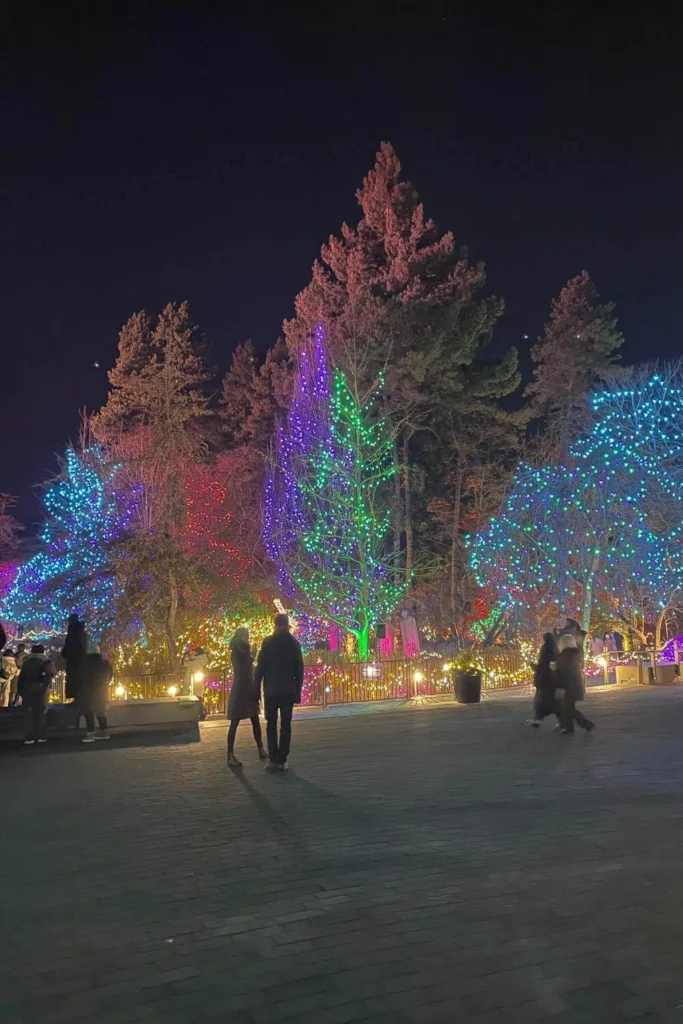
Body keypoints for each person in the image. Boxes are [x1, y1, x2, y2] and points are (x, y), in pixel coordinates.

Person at [254, 613, 304, 772]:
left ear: (275, 625)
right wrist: (298, 691)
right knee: (286, 725)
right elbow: (299, 669)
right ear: (287, 625)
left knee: (271, 724)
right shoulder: (294, 643)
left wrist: (256, 687)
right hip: (288, 689)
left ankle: (273, 758)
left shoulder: (268, 642)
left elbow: (260, 666)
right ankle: (282, 758)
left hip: (271, 689)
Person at [226, 627, 267, 767]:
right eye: (246, 635)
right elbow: (241, 670)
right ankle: (230, 754)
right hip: (241, 689)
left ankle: (261, 748)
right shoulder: (237, 652)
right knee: (235, 721)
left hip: (248, 688)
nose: (248, 638)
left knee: (255, 719)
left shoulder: (244, 651)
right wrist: (251, 657)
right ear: (241, 636)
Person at [17, 644, 56, 745]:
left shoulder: (26, 663)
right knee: (41, 714)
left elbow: (21, 679)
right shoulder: (46, 662)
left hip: (28, 692)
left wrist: (21, 692)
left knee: (29, 715)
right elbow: (52, 674)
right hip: (41, 692)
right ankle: (40, 736)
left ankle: (29, 737)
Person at [556, 634, 594, 735]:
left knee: (568, 707)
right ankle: (576, 726)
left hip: (569, 684)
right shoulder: (575, 653)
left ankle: (582, 725)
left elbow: (563, 669)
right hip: (575, 683)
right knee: (569, 707)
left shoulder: (565, 654)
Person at [79, 643, 113, 743]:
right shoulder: (105, 663)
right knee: (100, 712)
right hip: (103, 692)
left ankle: (90, 734)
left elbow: (81, 676)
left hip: (89, 691)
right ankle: (104, 732)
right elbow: (110, 675)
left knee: (89, 713)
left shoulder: (85, 663)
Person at [528, 633, 561, 727]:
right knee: (552, 702)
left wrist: (531, 665)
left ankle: (537, 719)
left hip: (545, 680)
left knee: (544, 702)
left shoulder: (546, 650)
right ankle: (561, 721)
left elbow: (542, 667)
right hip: (551, 680)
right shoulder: (555, 649)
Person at [62, 614, 87, 700]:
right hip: (79, 658)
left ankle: (76, 697)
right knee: (78, 678)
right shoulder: (81, 631)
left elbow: (70, 644)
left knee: (74, 678)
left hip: (74, 659)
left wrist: (65, 652)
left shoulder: (73, 631)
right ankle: (78, 697)